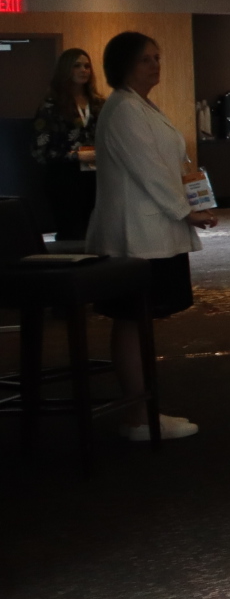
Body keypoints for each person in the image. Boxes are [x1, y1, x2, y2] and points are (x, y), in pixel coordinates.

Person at [89, 32, 215, 440]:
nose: (156, 65)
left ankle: (144, 410)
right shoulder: (123, 108)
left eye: (158, 58)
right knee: (131, 320)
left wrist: (192, 197)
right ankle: (136, 416)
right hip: (136, 232)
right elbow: (150, 171)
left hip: (151, 228)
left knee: (141, 321)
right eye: (147, 59)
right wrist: (186, 211)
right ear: (124, 64)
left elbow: (170, 163)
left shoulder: (140, 105)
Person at [32, 48, 101, 241]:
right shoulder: (51, 105)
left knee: (96, 233)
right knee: (73, 234)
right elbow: (40, 151)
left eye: (87, 66)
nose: (84, 70)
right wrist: (76, 155)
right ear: (65, 70)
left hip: (96, 177)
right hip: (65, 179)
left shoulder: (98, 103)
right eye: (77, 66)